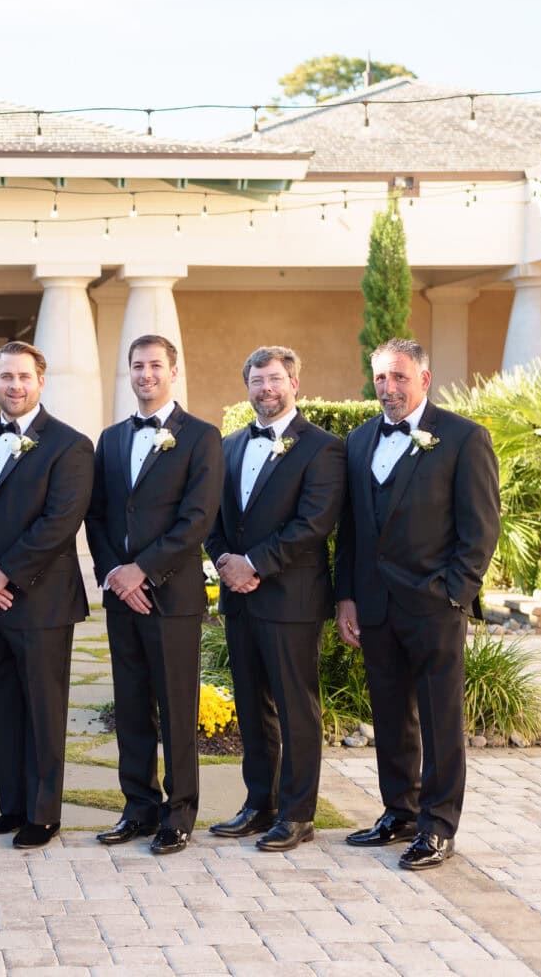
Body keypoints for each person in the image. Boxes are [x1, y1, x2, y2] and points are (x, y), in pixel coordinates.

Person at [334, 338, 499, 870]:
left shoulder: (463, 438)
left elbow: (480, 530)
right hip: (376, 608)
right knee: (389, 714)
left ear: (424, 380)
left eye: (400, 378)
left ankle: (438, 825)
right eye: (381, 378)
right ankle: (399, 811)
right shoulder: (358, 441)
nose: (389, 388)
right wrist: (346, 598)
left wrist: (455, 593)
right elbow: (352, 531)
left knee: (439, 720)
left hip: (435, 607)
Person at [84, 334, 223, 855]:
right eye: (137, 366)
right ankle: (137, 807)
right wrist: (114, 572)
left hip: (172, 595)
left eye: (155, 365)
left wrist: (143, 571)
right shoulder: (112, 438)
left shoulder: (201, 437)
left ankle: (180, 811)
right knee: (132, 704)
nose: (146, 374)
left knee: (177, 707)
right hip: (122, 595)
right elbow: (95, 515)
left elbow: (197, 519)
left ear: (173, 370)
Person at [204, 346, 344, 851]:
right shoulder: (229, 445)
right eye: (258, 380)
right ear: (247, 387)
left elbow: (313, 524)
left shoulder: (323, 448)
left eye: (276, 379)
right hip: (240, 600)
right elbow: (214, 521)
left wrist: (255, 564)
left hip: (291, 600)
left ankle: (299, 814)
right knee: (251, 705)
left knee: (295, 707)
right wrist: (225, 563)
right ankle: (258, 804)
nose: (267, 388)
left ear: (294, 384)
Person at [0, 341, 93, 849]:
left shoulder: (69, 444)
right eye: (5, 377)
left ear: (40, 382)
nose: (14, 386)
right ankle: (11, 805)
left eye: (24, 377)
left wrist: (5, 573)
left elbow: (61, 521)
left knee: (42, 707)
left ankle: (44, 812)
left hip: (41, 600)